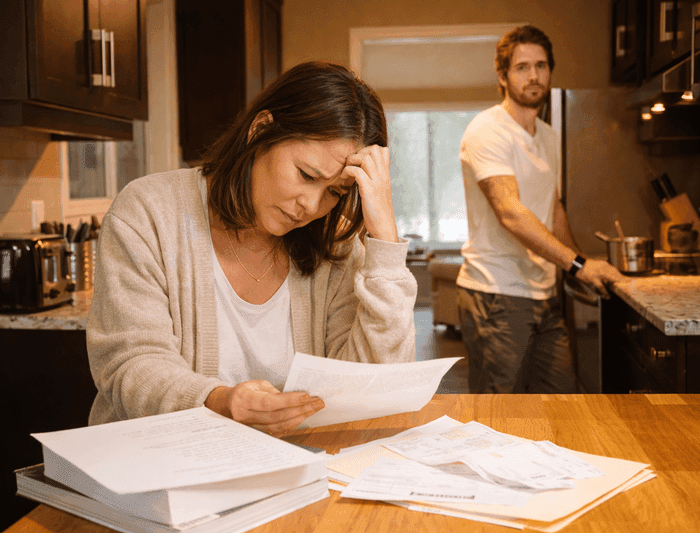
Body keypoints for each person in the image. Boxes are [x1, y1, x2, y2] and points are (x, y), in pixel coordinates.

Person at [86, 61, 417, 436]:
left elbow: (371, 385)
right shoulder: (149, 212)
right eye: (306, 175)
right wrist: (217, 401)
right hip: (157, 456)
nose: (311, 205)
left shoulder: (334, 245)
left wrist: (385, 241)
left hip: (290, 460)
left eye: (335, 192)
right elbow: (130, 364)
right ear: (260, 130)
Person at [456, 26, 624, 394]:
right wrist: (577, 265)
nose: (534, 76)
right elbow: (511, 213)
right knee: (500, 412)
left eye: (541, 66)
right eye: (522, 67)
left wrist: (579, 265)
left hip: (544, 295)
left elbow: (554, 209)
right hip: (496, 294)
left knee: (562, 402)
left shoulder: (547, 135)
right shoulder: (487, 130)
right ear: (503, 76)